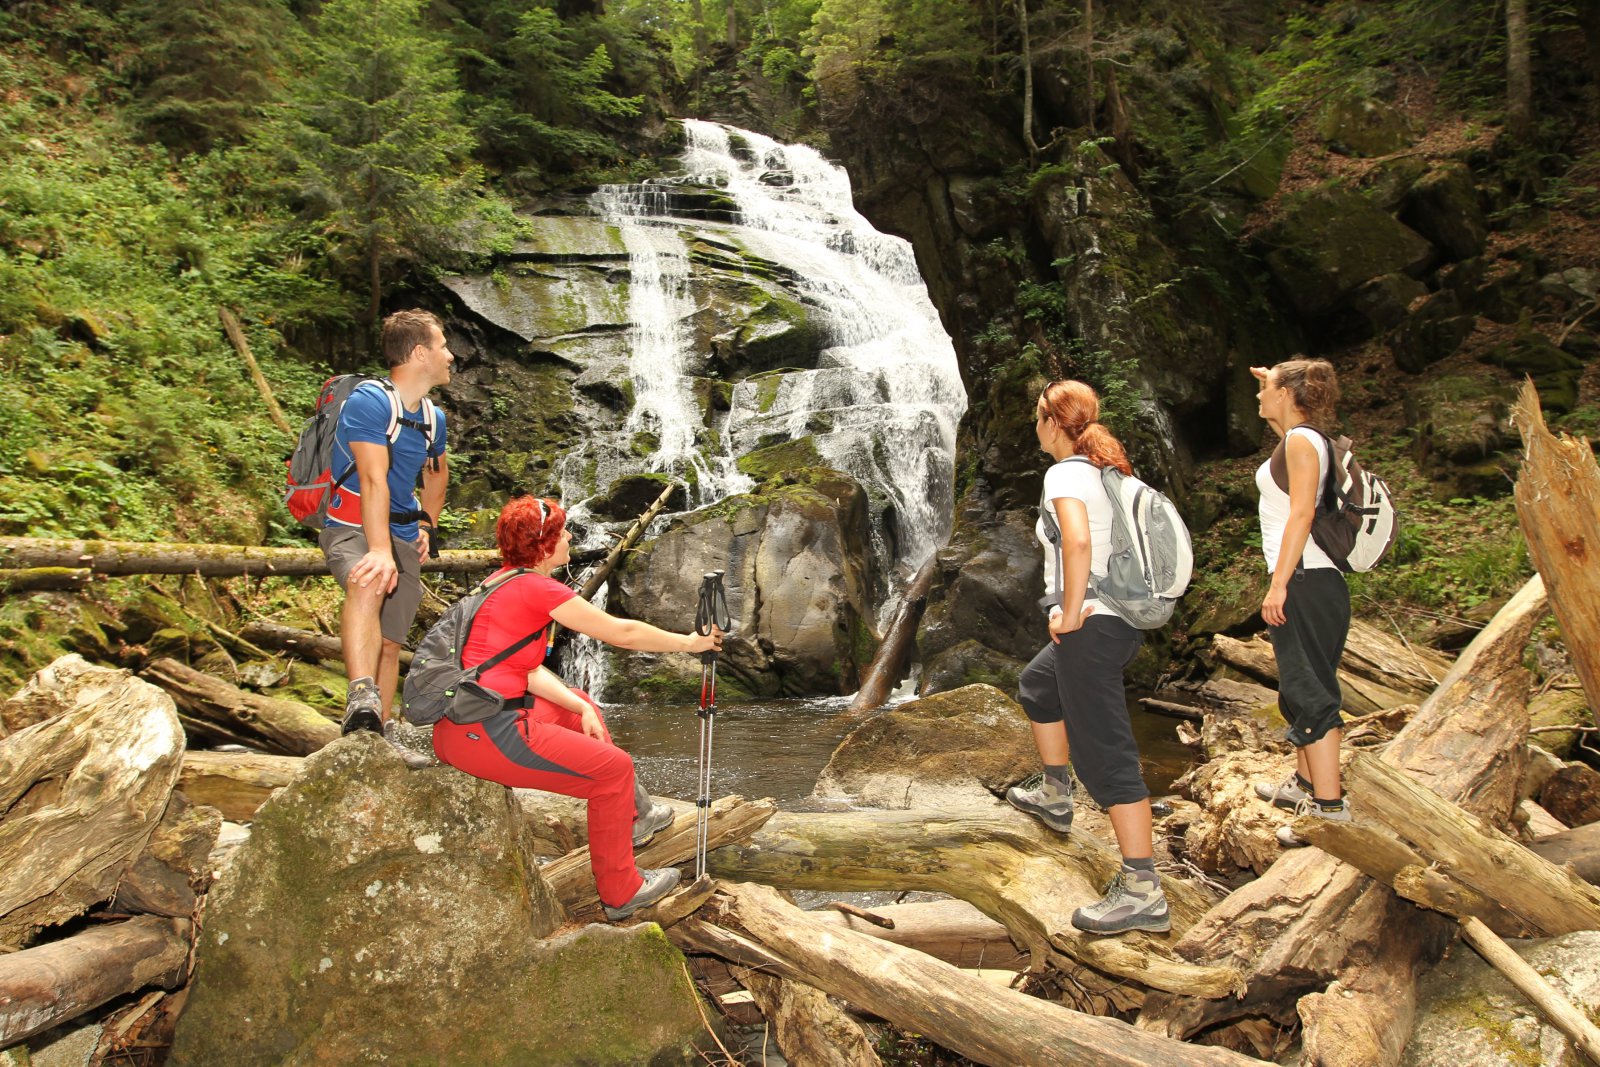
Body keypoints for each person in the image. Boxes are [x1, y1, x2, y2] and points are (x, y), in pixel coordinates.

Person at [431, 494, 722, 921]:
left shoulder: (501, 583)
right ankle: (622, 892)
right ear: (544, 545)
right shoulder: (536, 587)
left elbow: (525, 671)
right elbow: (619, 632)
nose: (569, 537)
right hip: (487, 733)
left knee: (579, 703)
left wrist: (582, 708)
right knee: (613, 771)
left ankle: (635, 817)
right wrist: (690, 644)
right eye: (562, 532)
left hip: (465, 726)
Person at [1006, 380, 1169, 936]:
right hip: (1118, 621)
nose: (1033, 427)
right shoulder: (1108, 470)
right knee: (1038, 685)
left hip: (1092, 625)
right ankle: (1055, 793)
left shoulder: (1065, 472)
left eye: (1036, 418)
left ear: (1053, 423)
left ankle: (1143, 887)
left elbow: (1076, 543)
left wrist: (1071, 611)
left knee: (1105, 753)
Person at [322, 309, 452, 767]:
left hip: (400, 530)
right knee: (368, 580)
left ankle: (385, 728)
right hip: (353, 525)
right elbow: (372, 480)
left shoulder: (434, 417)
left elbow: (437, 475)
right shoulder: (369, 402)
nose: (450, 355)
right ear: (420, 353)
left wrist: (425, 525)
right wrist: (379, 550)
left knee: (393, 639)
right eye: (442, 346)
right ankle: (361, 699)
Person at [1250, 358, 1353, 846]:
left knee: (1312, 693)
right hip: (1313, 582)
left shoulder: (1301, 440)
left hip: (1305, 581)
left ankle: (1330, 813)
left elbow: (1303, 513)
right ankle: (1305, 785)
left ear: (1289, 394)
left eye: (1266, 388)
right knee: (1299, 688)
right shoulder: (1299, 437)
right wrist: (1273, 377)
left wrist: (1279, 585)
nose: (1258, 395)